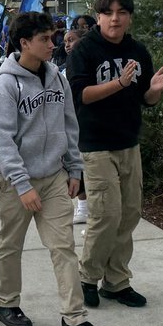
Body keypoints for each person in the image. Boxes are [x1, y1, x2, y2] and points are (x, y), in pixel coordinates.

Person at [0, 12, 108, 326]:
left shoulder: (56, 77)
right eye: (44, 38)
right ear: (24, 43)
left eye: (52, 37)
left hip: (54, 176)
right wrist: (23, 185)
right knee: (11, 244)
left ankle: (74, 320)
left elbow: (70, 124)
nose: (52, 43)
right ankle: (6, 302)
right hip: (16, 180)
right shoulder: (5, 84)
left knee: (64, 247)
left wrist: (74, 168)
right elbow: (3, 139)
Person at [68, 0, 163, 309]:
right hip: (95, 145)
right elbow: (80, 95)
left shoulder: (137, 51)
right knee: (105, 214)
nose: (115, 18)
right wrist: (118, 83)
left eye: (121, 12)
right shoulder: (84, 50)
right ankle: (87, 277)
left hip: (129, 142)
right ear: (98, 16)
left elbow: (146, 99)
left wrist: (153, 90)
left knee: (129, 214)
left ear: (129, 17)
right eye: (108, 12)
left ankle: (116, 282)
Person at [60, 29, 89, 225]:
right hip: (68, 122)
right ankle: (83, 206)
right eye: (65, 42)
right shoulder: (61, 66)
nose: (67, 44)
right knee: (74, 164)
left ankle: (87, 209)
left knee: (83, 166)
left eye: (71, 40)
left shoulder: (86, 63)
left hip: (83, 122)